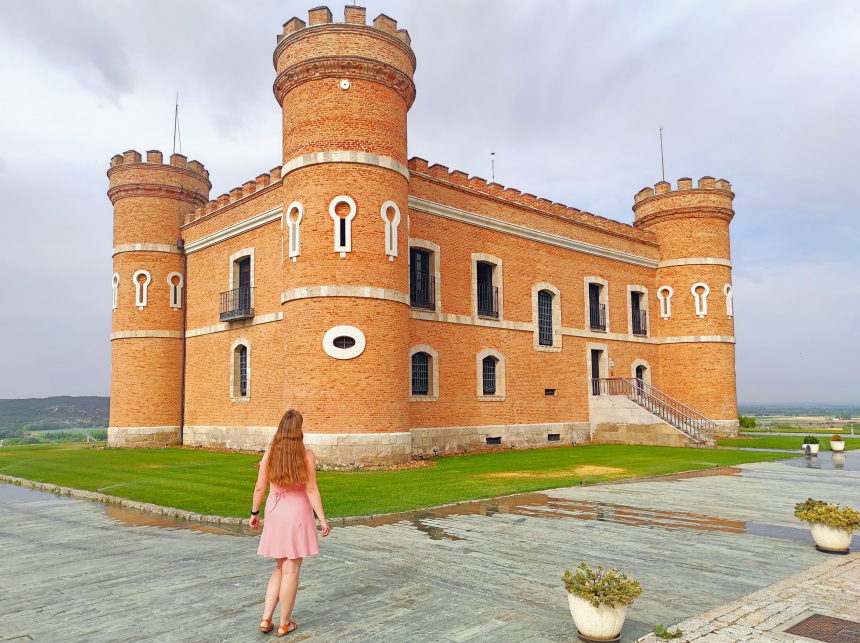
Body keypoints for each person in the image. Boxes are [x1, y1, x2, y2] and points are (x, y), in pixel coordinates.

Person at [250, 409, 330, 636]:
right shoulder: (307, 455)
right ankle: (284, 623)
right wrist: (322, 519)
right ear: (299, 431)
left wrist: (254, 512)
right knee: (291, 569)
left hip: (275, 514)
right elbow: (312, 489)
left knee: (279, 566)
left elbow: (259, 486)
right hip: (297, 516)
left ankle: (266, 619)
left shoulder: (270, 452)